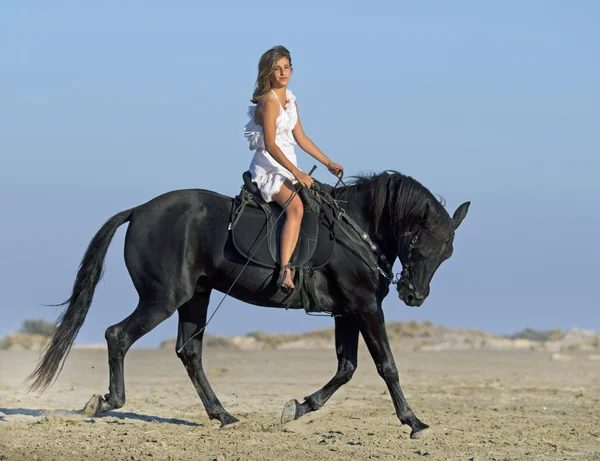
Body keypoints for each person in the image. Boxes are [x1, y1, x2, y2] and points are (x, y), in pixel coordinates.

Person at [244, 45, 344, 293]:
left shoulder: (291, 100)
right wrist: (297, 173)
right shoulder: (269, 102)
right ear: (268, 73)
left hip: (288, 166)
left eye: (286, 67)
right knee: (296, 207)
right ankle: (285, 269)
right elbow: (270, 144)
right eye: (277, 69)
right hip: (269, 167)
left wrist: (328, 162)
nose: (282, 73)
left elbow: (301, 137)